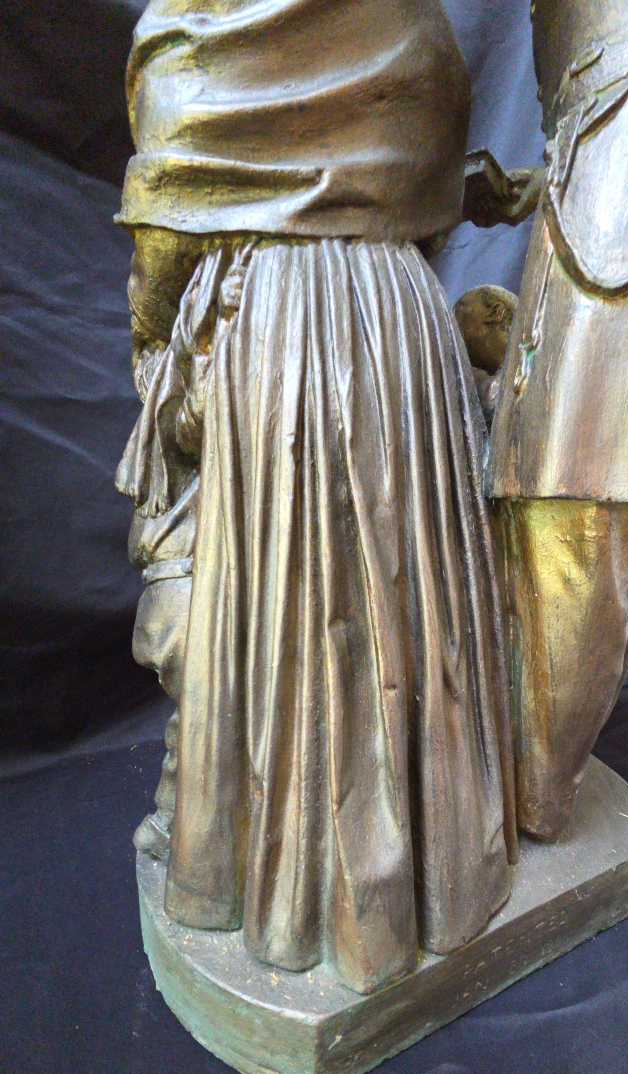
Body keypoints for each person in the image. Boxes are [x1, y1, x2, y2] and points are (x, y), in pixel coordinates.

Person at [116, 0, 517, 995]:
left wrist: (157, 348)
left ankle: (288, 886)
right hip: (396, 325)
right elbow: (420, 193)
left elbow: (163, 245)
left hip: (275, 331)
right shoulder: (410, 25)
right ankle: (418, 877)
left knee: (288, 614)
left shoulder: (201, 27)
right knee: (397, 602)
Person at [465, 0, 628, 840]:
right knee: (604, 515)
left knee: (581, 507)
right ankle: (531, 784)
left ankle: (528, 799)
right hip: (624, 163)